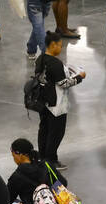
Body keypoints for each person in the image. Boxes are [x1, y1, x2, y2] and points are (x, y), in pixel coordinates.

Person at [35, 30, 85, 166]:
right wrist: (80, 77)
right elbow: (64, 83)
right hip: (56, 104)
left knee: (44, 129)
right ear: (53, 45)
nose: (61, 48)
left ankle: (43, 156)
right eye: (60, 45)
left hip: (43, 101)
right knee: (56, 133)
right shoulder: (55, 64)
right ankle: (51, 160)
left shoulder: (40, 59)